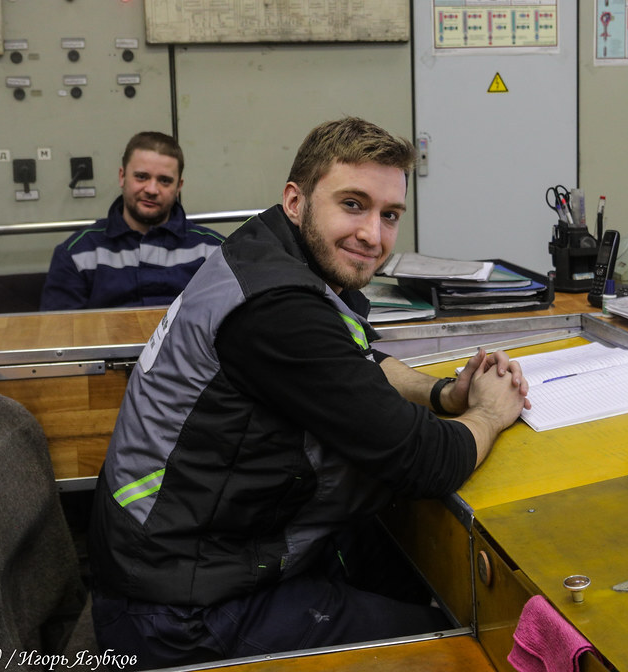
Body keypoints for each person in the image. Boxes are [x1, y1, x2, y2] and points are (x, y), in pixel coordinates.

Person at [87, 117, 530, 668]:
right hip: (179, 612)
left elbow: (355, 358)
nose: (373, 234)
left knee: (403, 577)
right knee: (462, 651)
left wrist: (443, 395)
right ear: (296, 200)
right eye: (352, 204)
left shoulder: (267, 251)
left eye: (390, 215)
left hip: (188, 558)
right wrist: (488, 413)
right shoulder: (278, 307)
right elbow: (425, 461)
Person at [40, 131, 224, 311]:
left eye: (165, 180)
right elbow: (58, 333)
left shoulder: (214, 252)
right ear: (122, 177)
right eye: (141, 177)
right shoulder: (77, 254)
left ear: (178, 187)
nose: (152, 189)